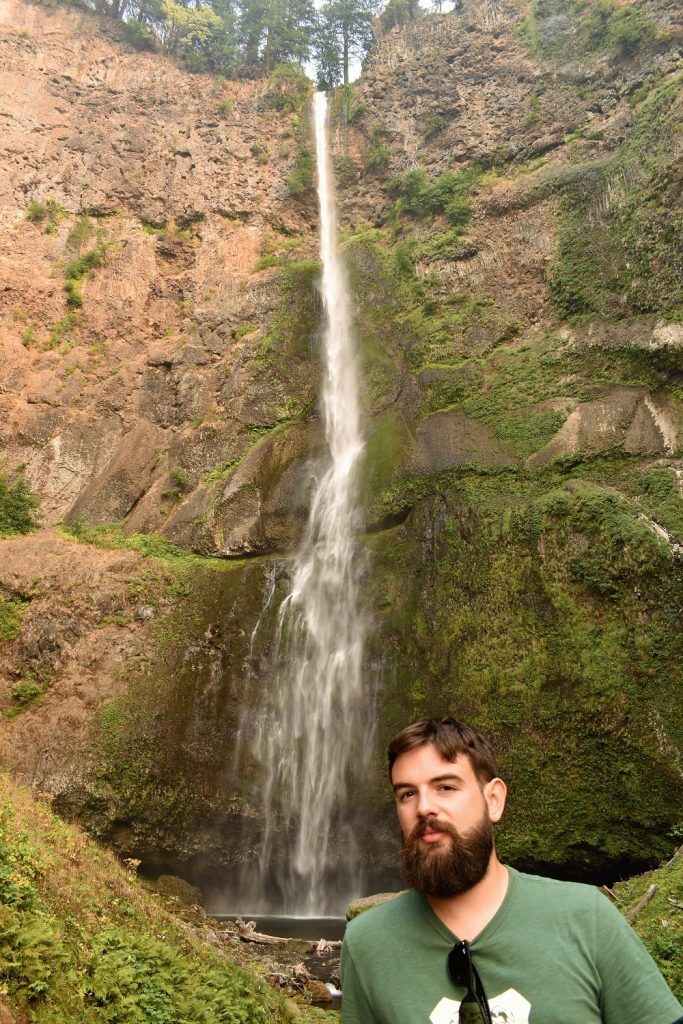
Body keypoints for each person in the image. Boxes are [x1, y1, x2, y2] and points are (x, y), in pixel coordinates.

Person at [340, 716, 683, 1024]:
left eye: (446, 787)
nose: (424, 807)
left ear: (494, 800)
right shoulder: (367, 944)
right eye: (407, 794)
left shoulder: (587, 919)